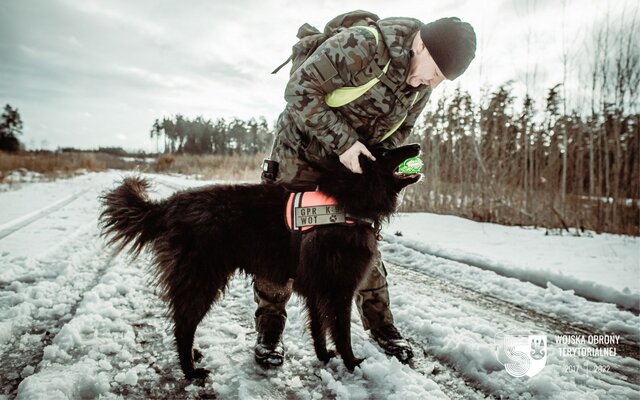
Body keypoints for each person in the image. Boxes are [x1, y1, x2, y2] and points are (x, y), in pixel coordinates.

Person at [256, 14, 476, 367]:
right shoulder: (363, 45)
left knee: (360, 238)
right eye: (433, 72)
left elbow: (400, 132)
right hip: (299, 153)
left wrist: (382, 174)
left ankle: (381, 326)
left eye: (440, 80)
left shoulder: (421, 87)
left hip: (351, 164)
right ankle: (269, 329)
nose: (431, 83)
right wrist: (344, 143)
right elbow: (298, 90)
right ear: (421, 44)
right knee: (280, 239)